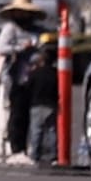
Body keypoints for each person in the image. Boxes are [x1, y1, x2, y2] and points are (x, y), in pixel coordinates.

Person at [0, 0, 46, 160]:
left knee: (35, 113)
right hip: (17, 78)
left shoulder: (38, 30)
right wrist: (19, 49)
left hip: (35, 77)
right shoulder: (10, 29)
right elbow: (1, 48)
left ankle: (34, 147)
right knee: (18, 114)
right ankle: (17, 148)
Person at [26, 33, 59, 165]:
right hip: (51, 105)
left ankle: (35, 155)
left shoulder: (34, 73)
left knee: (36, 131)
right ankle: (53, 155)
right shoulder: (55, 73)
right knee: (52, 131)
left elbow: (28, 87)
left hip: (37, 105)